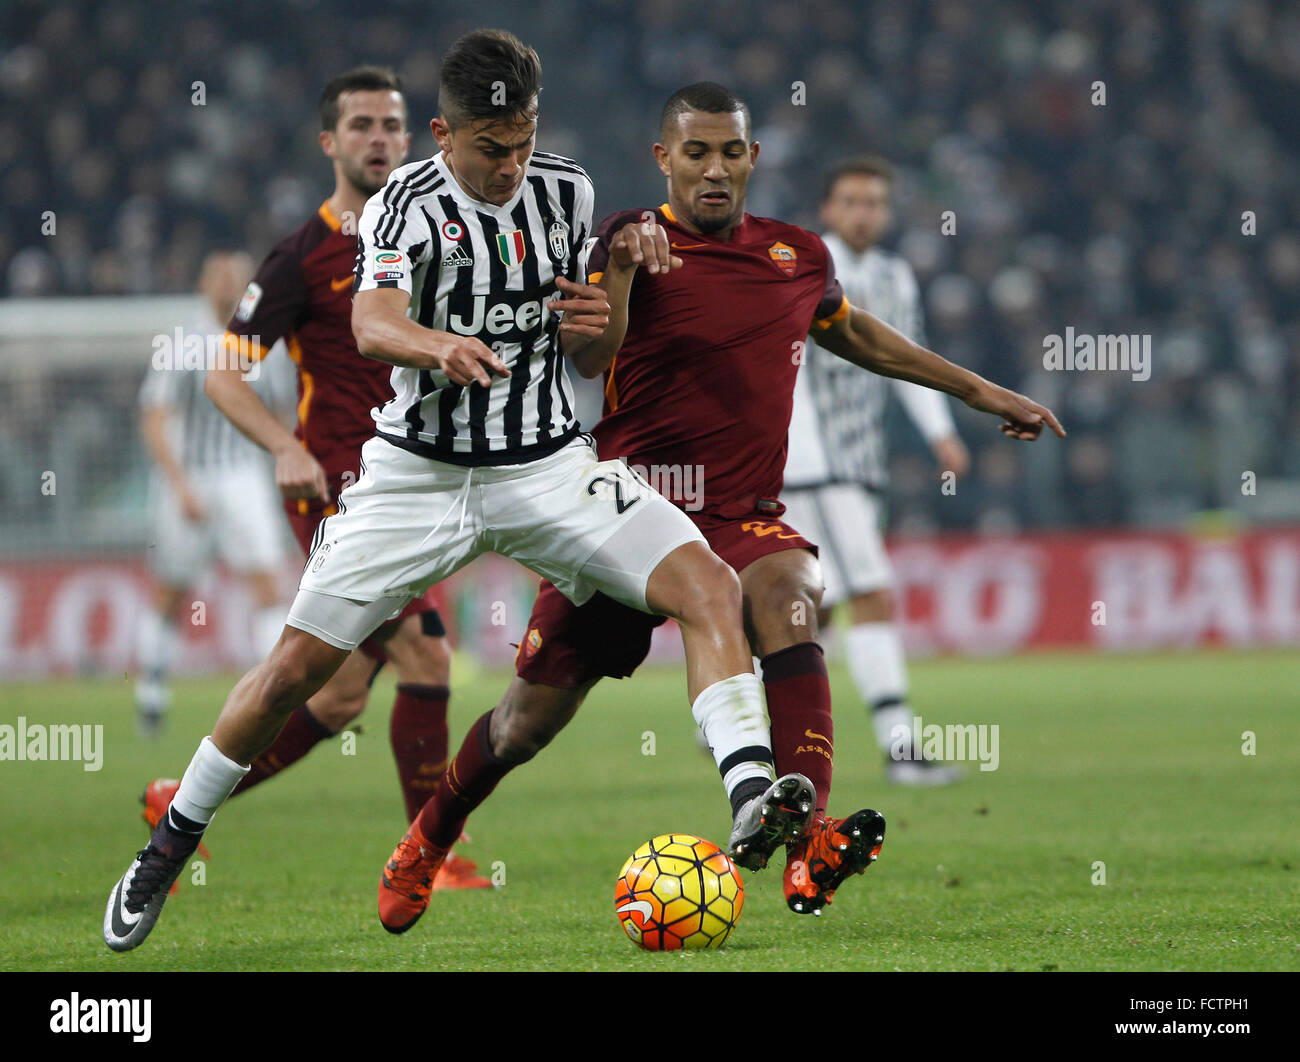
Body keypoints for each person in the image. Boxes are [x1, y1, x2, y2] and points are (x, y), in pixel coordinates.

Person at [105, 31, 808, 954]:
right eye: (490, 148)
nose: (510, 165)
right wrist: (437, 345)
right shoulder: (403, 202)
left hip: (547, 466)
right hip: (417, 475)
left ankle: (752, 791)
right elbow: (370, 320)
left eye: (522, 142)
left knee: (708, 585)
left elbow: (592, 352)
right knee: (294, 675)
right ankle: (167, 847)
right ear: (444, 133)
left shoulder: (568, 191)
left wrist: (618, 290)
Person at [380, 82, 1065, 929]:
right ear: (663, 158)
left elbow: (853, 332)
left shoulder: (797, 255)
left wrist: (981, 393)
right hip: (626, 512)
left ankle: (807, 836)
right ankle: (428, 837)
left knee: (793, 593)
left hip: (741, 514)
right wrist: (622, 270)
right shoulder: (626, 240)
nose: (714, 169)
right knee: (524, 723)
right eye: (695, 152)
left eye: (730, 152)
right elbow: (588, 359)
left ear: (753, 159)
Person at [782, 156, 969, 785]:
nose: (864, 213)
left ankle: (741, 714)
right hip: (817, 466)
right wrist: (797, 458)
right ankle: (902, 749)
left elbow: (911, 362)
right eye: (851, 201)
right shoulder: (808, 265)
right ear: (829, 210)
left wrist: (942, 432)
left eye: (874, 203)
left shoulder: (894, 277)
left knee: (819, 607)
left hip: (861, 468)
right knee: (871, 594)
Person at [134, 251, 294, 736]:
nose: (228, 285)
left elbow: (285, 413)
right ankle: (152, 695)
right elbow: (155, 416)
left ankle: (271, 699)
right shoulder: (182, 341)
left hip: (245, 478)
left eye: (237, 277)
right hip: (192, 478)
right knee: (171, 591)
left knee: (267, 584)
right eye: (220, 276)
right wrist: (179, 484)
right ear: (204, 283)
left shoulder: (270, 343)